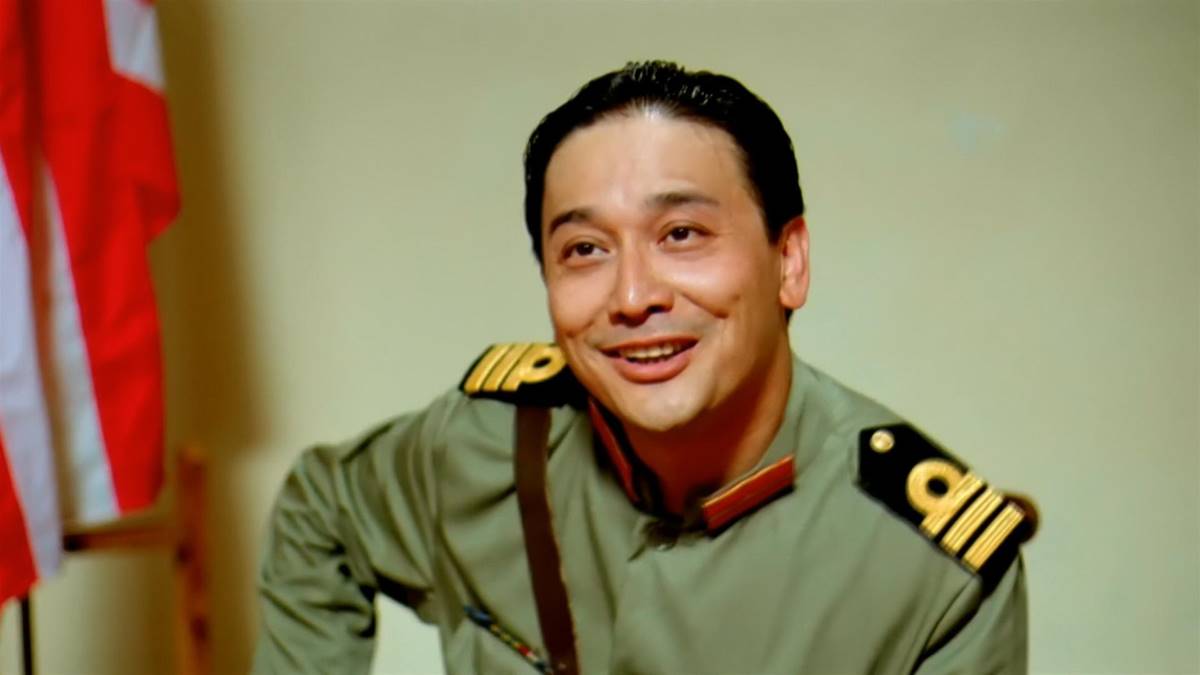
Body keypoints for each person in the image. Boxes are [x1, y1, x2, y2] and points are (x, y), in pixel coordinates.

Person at [253, 61, 1037, 674]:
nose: (632, 297)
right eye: (584, 249)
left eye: (682, 234)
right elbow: (323, 512)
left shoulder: (932, 568)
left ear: (789, 261)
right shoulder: (494, 440)